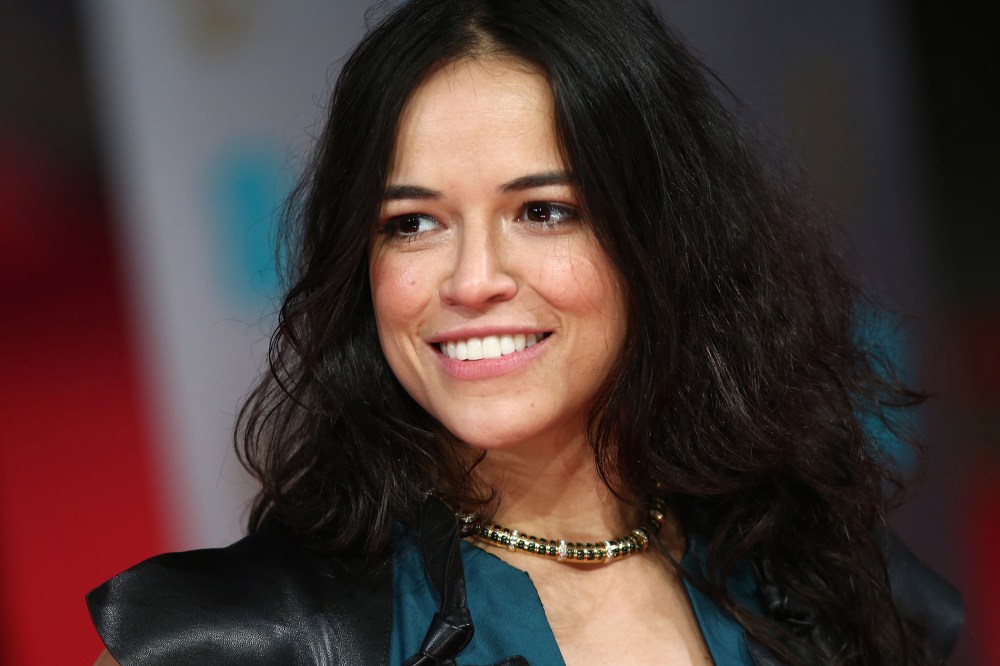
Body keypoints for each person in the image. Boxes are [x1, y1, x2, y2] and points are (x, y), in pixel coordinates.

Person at [88, 0, 962, 664]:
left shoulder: (822, 577)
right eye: (413, 224)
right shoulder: (238, 640)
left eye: (543, 211)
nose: (472, 280)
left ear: (660, 236)